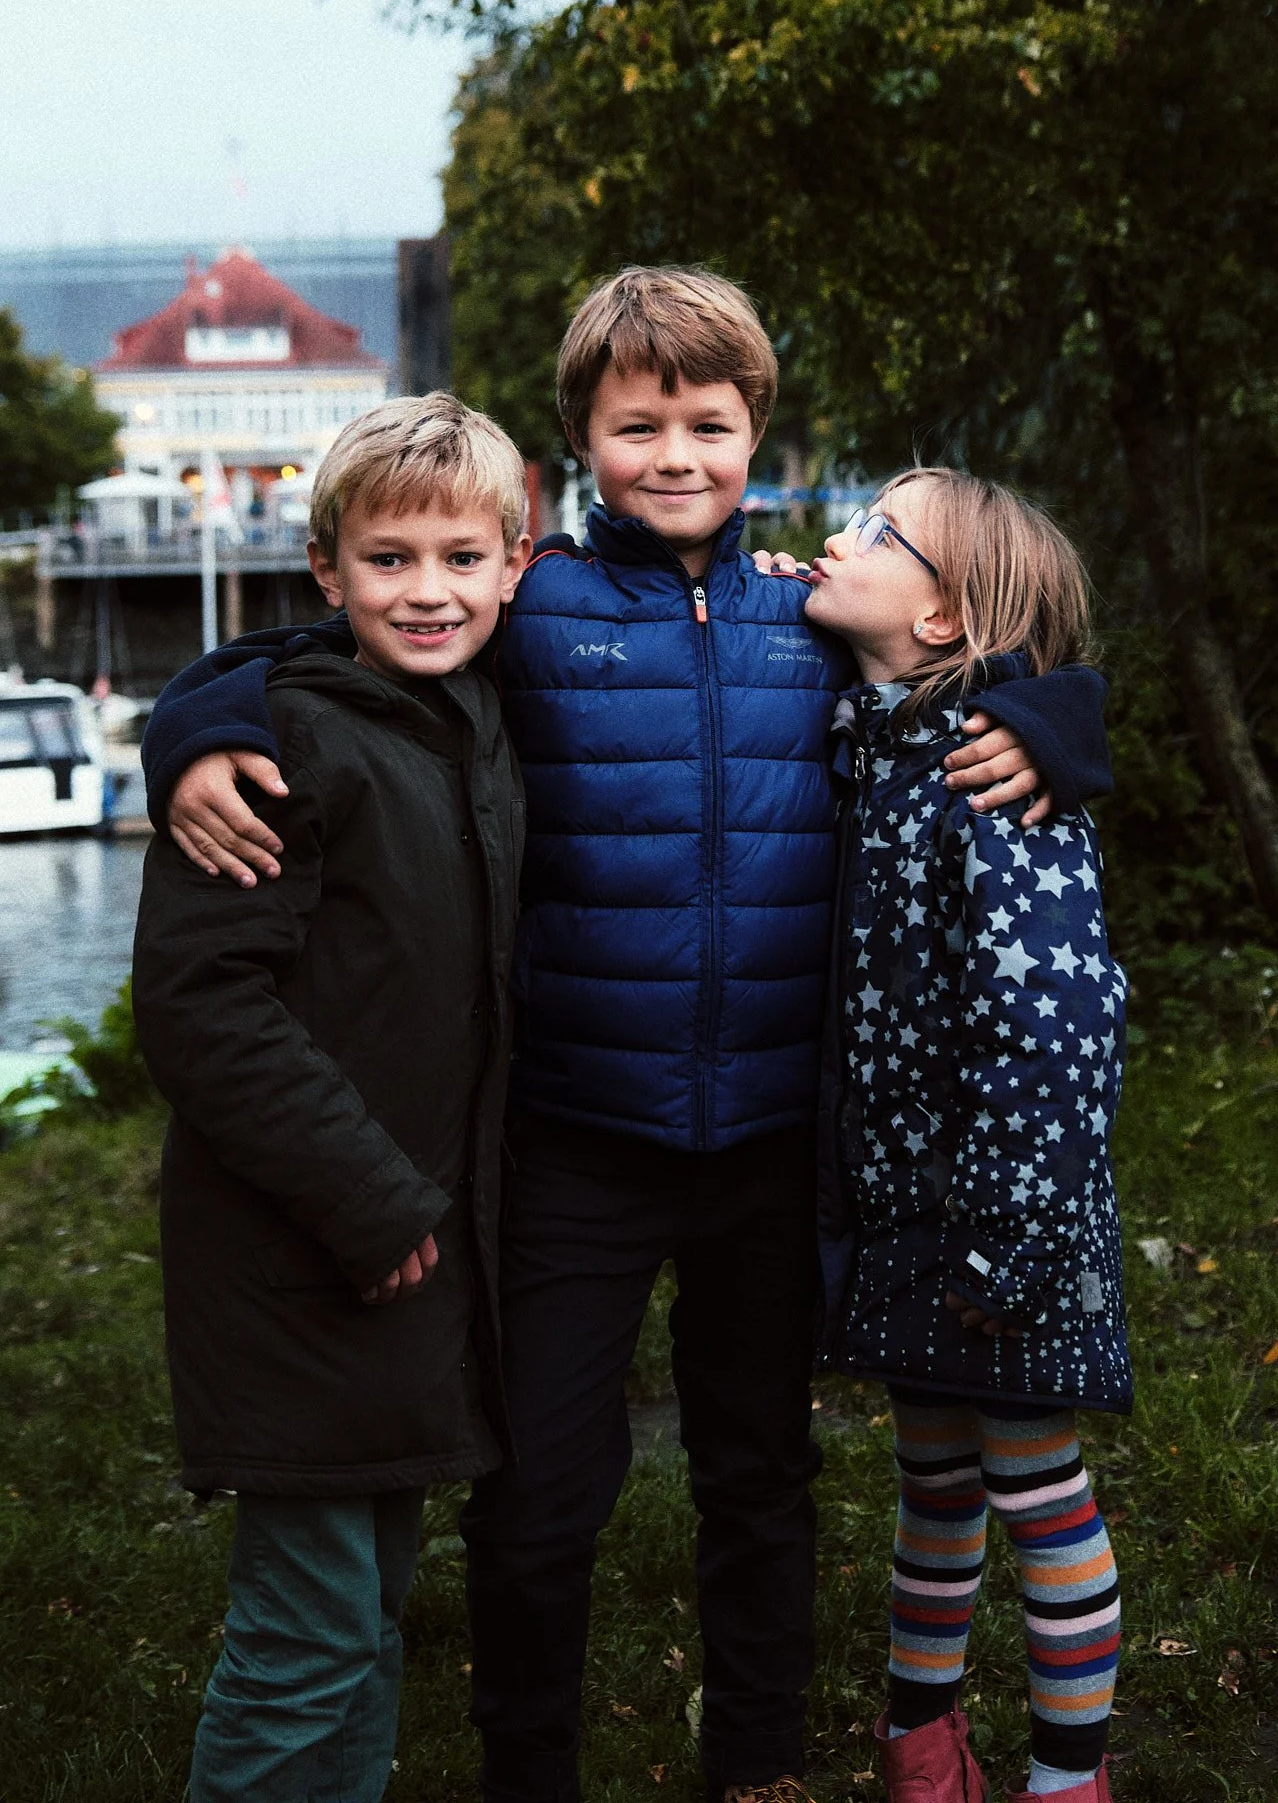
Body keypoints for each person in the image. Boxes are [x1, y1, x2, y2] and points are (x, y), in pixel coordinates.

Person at [138, 268, 1113, 1803]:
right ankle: (528, 1765)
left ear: (754, 433)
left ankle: (761, 1765)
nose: (676, 453)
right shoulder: (532, 600)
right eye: (637, 422)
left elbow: (979, 654)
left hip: (772, 1142)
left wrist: (1065, 726)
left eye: (708, 423)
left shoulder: (814, 611)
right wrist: (191, 729)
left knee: (760, 1478)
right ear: (578, 445)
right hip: (575, 1135)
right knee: (540, 1499)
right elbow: (325, 652)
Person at [132, 395, 532, 1803]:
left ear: (515, 566)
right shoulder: (271, 750)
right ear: (327, 571)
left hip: (415, 1262)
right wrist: (367, 1200)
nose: (428, 591)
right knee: (304, 1639)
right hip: (310, 1256)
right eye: (389, 560)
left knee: (366, 1625)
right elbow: (199, 1005)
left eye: (461, 559)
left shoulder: (471, 717)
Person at [805, 468, 1130, 1803]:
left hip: (1002, 1217)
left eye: (877, 531)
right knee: (932, 1478)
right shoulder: (883, 745)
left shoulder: (992, 783)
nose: (836, 533)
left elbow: (1062, 1026)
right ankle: (921, 1750)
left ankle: (1070, 1780)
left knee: (1034, 1486)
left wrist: (1012, 1236)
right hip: (912, 1213)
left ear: (944, 623)